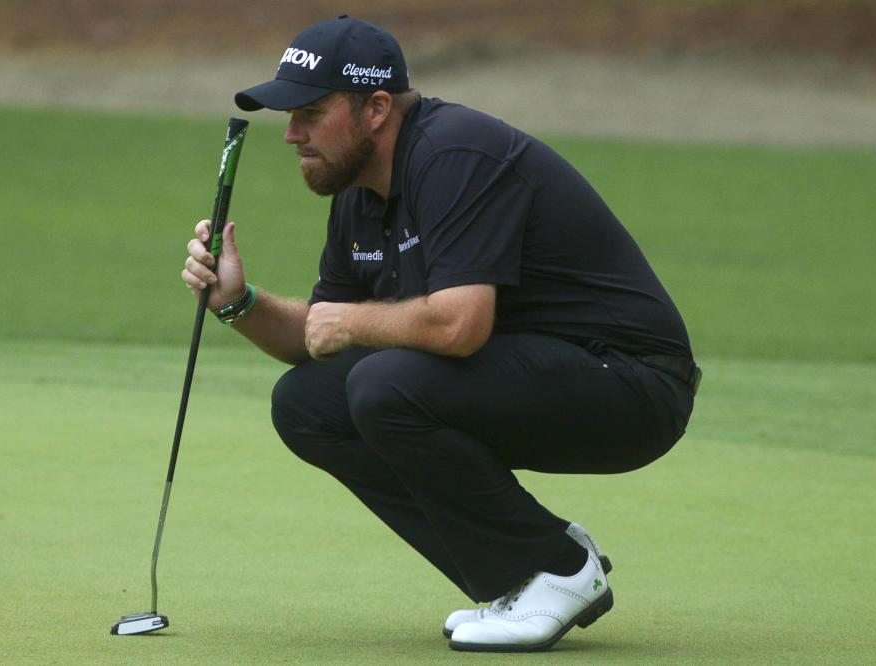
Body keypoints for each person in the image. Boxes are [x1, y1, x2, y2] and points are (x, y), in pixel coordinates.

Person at [181, 14, 699, 653]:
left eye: (311, 113)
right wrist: (238, 302)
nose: (291, 134)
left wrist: (355, 323)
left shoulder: (454, 153)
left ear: (375, 108)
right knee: (308, 404)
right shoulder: (359, 192)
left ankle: (561, 573)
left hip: (632, 383)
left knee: (383, 381)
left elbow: (459, 325)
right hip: (537, 374)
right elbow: (317, 340)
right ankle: (530, 570)